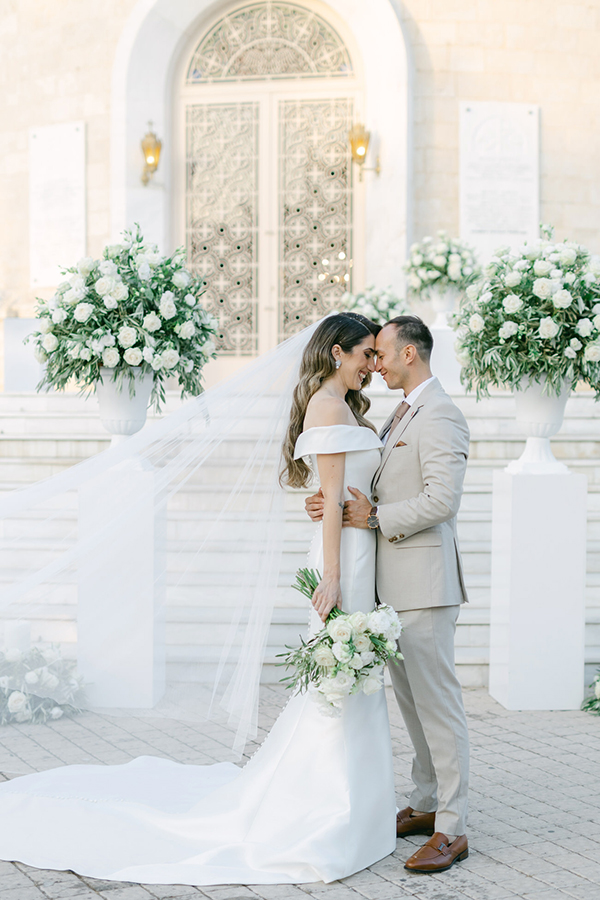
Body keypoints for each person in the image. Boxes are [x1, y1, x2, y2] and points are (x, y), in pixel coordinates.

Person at [0, 314, 398, 886]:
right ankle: (329, 807)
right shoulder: (331, 407)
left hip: (358, 546)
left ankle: (349, 803)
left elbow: (335, 495)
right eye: (365, 353)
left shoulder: (343, 407)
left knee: (348, 677)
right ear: (338, 353)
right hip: (344, 559)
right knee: (340, 676)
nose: (372, 364)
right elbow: (330, 498)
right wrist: (332, 576)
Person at [306, 314, 471, 874]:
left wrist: (375, 517)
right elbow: (367, 482)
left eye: (381, 352)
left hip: (424, 584)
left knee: (438, 707)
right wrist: (329, 503)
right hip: (387, 588)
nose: (374, 362)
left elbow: (442, 500)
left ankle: (451, 825)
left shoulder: (441, 413)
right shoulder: (397, 413)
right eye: (367, 354)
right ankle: (425, 803)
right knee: (412, 705)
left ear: (410, 355)